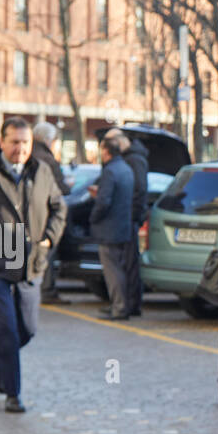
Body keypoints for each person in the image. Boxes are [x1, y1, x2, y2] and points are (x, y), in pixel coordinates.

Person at [0, 116, 66, 412]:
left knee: (26, 330)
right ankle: (12, 393)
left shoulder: (41, 171)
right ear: (1, 143)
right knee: (6, 329)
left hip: (31, 264)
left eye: (25, 142)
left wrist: (48, 240)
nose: (20, 148)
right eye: (14, 142)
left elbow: (59, 208)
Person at [103, 129, 149, 317]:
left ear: (119, 141)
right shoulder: (131, 158)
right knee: (126, 262)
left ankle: (130, 304)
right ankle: (126, 303)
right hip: (126, 217)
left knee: (129, 263)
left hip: (129, 218)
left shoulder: (134, 160)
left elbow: (139, 190)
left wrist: (132, 216)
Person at [89, 137, 133, 320]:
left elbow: (104, 201)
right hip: (122, 227)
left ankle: (119, 307)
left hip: (109, 228)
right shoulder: (126, 169)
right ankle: (119, 304)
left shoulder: (109, 172)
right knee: (119, 268)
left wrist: (93, 217)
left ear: (106, 152)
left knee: (112, 271)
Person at [32, 122, 71, 305]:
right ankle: (46, 290)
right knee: (46, 255)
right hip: (45, 217)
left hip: (31, 217)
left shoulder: (30, 156)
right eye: (55, 139)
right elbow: (60, 192)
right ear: (48, 140)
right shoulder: (47, 160)